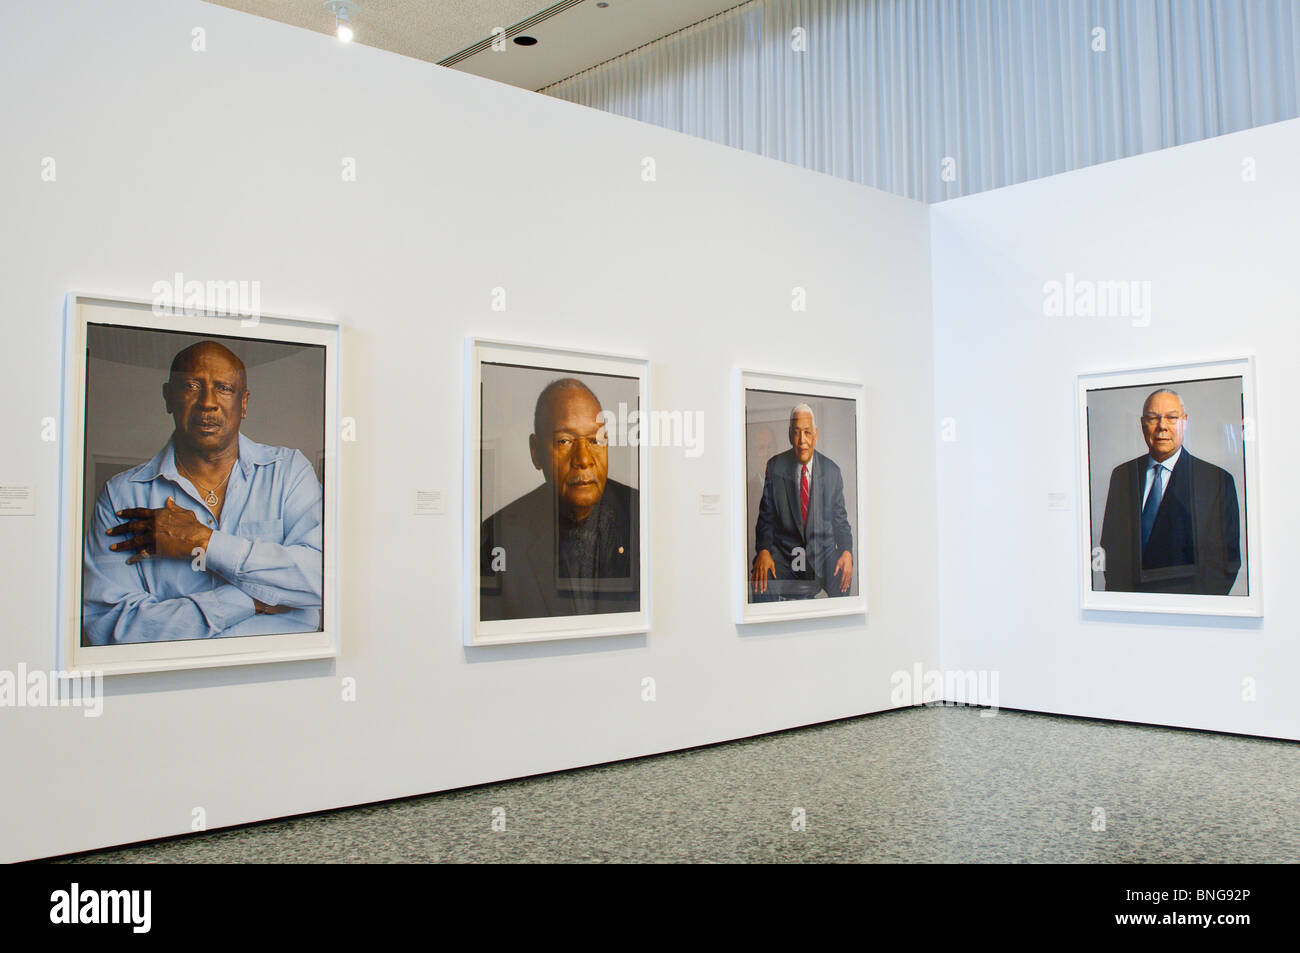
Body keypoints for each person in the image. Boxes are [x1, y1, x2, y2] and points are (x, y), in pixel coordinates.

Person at [82, 340, 324, 644]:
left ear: (244, 403)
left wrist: (204, 542)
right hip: (170, 684)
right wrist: (250, 600)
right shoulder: (121, 496)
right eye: (192, 386)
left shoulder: (288, 472)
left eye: (223, 388)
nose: (207, 402)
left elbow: (323, 579)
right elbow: (112, 630)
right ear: (169, 397)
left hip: (286, 676)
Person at [480, 377, 639, 621]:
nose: (584, 459)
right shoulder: (497, 535)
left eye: (595, 440)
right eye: (564, 441)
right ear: (536, 452)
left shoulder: (642, 516)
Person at [1098, 388, 1241, 595]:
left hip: (1186, 613)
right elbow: (1111, 546)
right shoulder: (1122, 475)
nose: (1162, 426)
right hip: (1130, 610)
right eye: (1153, 418)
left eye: (1171, 418)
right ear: (1141, 423)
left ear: (1185, 421)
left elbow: (1224, 562)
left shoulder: (1215, 480)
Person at [751, 403, 854, 601]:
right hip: (784, 555)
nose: (802, 441)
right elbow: (766, 518)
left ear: (815, 435)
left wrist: (847, 552)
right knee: (760, 579)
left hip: (821, 554)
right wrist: (764, 550)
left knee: (843, 575)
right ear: (790, 435)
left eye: (807, 432)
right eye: (797, 433)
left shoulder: (832, 472)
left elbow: (840, 522)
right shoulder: (775, 467)